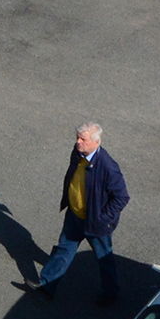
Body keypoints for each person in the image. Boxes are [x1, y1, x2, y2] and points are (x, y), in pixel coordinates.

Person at [15, 122, 129, 305]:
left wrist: (103, 218)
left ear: (96, 142)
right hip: (75, 215)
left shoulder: (108, 167)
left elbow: (122, 197)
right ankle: (47, 285)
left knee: (104, 258)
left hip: (95, 222)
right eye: (77, 137)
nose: (78, 142)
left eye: (82, 139)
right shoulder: (78, 153)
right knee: (64, 249)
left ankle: (110, 294)